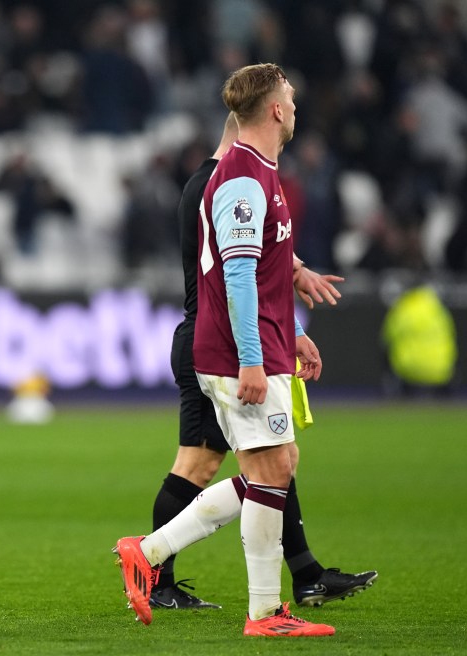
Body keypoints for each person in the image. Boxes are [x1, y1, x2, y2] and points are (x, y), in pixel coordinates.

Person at [114, 63, 343, 637]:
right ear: (274, 110)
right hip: (235, 351)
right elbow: (237, 276)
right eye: (290, 96)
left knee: (277, 469)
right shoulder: (243, 177)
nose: (294, 105)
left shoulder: (257, 171)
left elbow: (260, 267)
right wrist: (250, 358)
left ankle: (153, 553)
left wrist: (287, 335)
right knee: (265, 472)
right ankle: (261, 611)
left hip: (261, 343)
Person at [147, 113, 377, 611]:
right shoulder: (226, 179)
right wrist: (283, 333)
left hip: (221, 338)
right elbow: (241, 266)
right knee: (219, 464)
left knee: (274, 461)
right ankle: (154, 569)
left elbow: (264, 256)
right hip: (221, 342)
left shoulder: (223, 179)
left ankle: (304, 574)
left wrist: (293, 295)